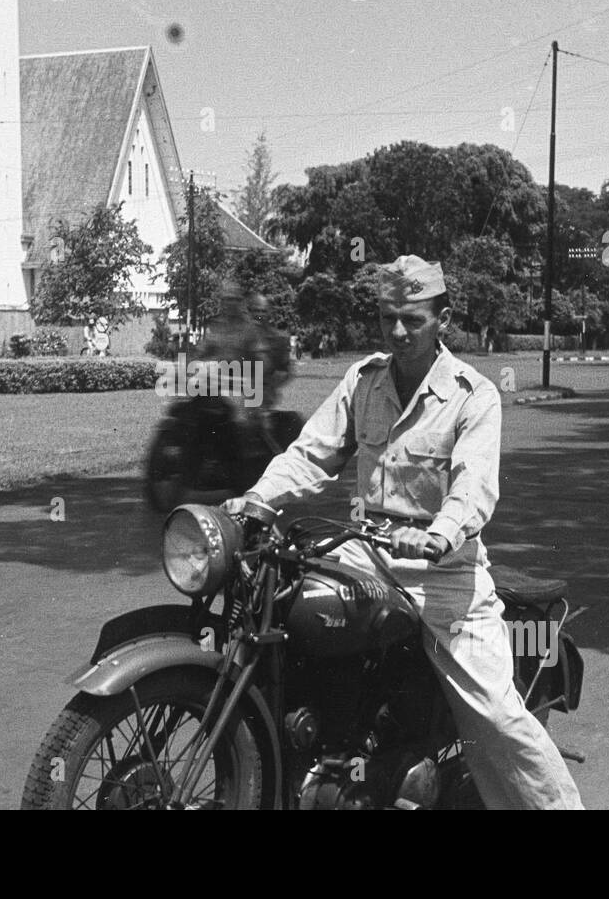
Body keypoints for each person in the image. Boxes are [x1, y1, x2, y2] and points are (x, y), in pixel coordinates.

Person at [224, 254, 583, 809]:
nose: (397, 331)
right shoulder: (363, 380)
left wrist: (439, 533)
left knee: (493, 714)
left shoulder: (473, 395)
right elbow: (311, 453)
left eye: (412, 319)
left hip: (441, 571)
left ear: (443, 318)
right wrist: (256, 500)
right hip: (363, 553)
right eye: (389, 317)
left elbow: (474, 487)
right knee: (285, 617)